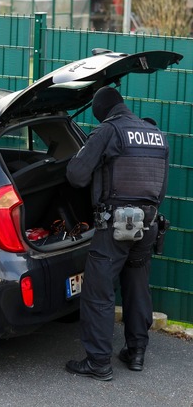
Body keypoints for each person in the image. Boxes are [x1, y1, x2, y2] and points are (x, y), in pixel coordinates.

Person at [65, 86, 169, 380]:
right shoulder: (155, 134)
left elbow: (76, 175)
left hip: (114, 227)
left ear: (102, 111)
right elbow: (160, 188)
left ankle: (98, 362)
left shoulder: (108, 131)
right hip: (148, 225)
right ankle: (136, 352)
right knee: (137, 286)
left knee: (99, 291)